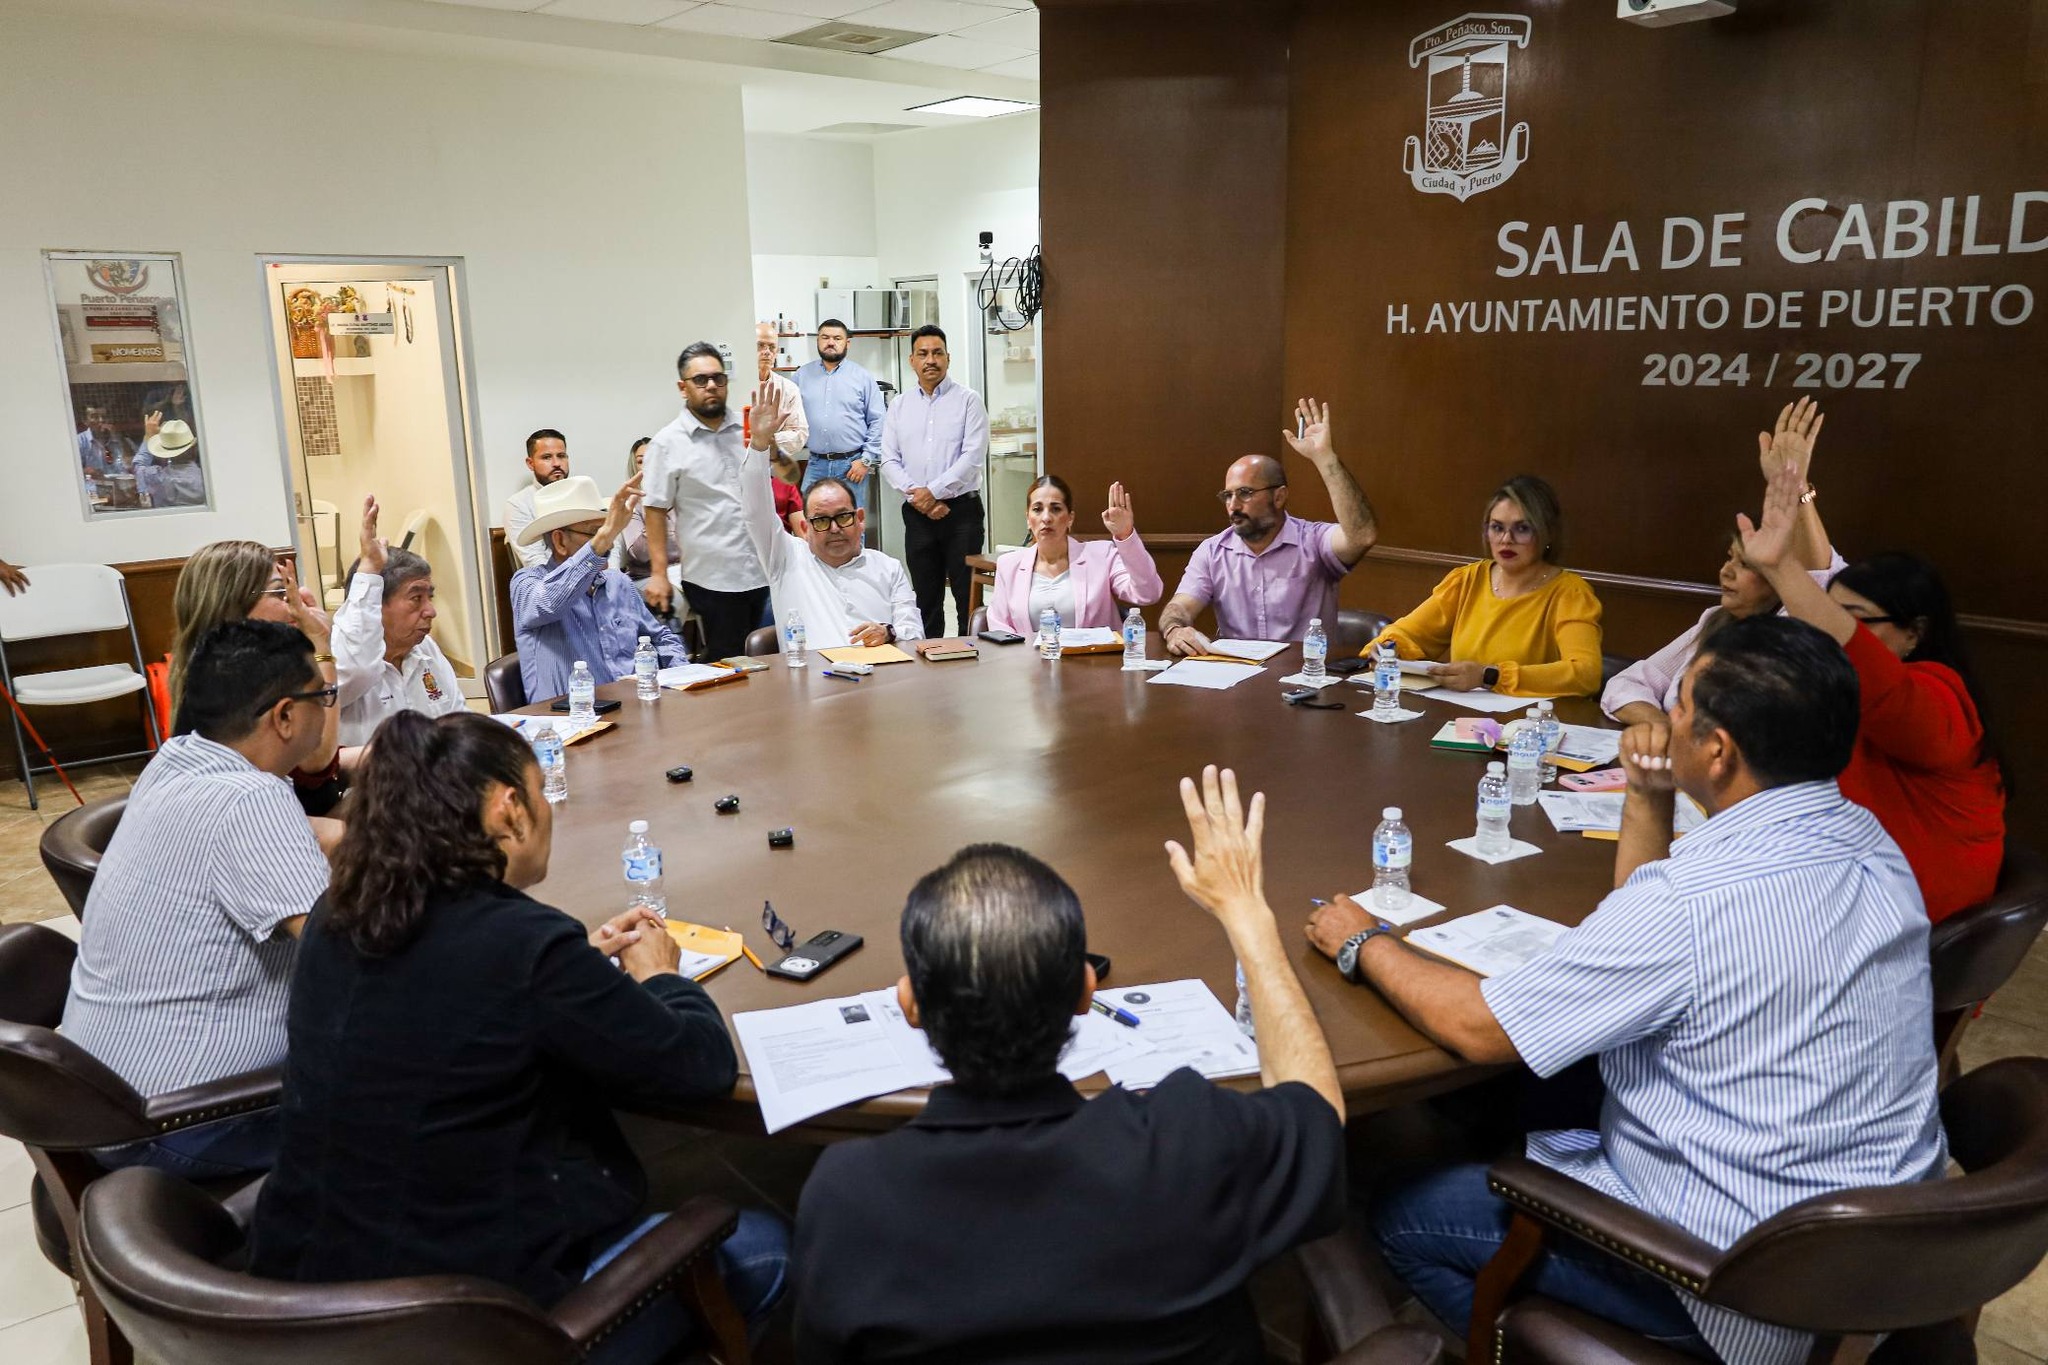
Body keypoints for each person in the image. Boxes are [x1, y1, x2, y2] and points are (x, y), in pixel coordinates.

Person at [1305, 615, 1946, 1364]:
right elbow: (1646, 931)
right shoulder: (1871, 840)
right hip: (1878, 1254)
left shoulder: (1695, 899)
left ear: (1717, 749)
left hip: (1738, 1285)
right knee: (1527, 1094)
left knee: (1403, 1214)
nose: (1664, 719)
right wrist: (1648, 795)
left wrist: (1363, 941)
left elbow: (1480, 1028)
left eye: (1679, 705)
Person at [250, 712, 786, 1362]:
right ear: (509, 810)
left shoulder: (338, 910)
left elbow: (448, 992)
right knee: (766, 1247)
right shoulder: (522, 946)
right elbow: (698, 1065)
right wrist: (660, 975)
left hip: (303, 1310)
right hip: (464, 1331)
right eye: (540, 793)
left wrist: (573, 969)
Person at [794, 768, 1347, 1362]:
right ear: (1086, 990)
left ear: (911, 1006)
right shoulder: (1189, 1140)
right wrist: (1246, 914)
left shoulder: (848, 1196)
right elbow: (1318, 1108)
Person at [60, 620, 336, 1178]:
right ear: (285, 716)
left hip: (103, 1099)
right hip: (183, 1122)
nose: (328, 706)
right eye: (323, 696)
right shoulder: (250, 799)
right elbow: (344, 952)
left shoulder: (178, 759)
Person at [1739, 458, 2006, 921]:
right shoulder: (1843, 693)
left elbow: (1878, 681)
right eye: (1831, 612)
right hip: (1854, 885)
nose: (1833, 630)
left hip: (1910, 921)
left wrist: (1781, 568)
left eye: (1855, 620)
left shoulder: (1940, 696)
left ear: (1915, 631)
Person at [1604, 399, 1845, 726]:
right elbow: (1626, 684)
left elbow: (1822, 581)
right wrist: (1663, 729)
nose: (1726, 571)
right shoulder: (1716, 620)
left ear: (1783, 579)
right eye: (1729, 558)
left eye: (1746, 565)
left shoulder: (1798, 630)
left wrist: (1796, 488)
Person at [1159, 398, 1378, 655]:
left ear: (1279, 497)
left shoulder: (1314, 542)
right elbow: (1180, 607)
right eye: (1227, 495)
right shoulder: (1212, 551)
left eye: (1245, 493)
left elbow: (1362, 536)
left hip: (1305, 673)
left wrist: (1326, 459)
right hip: (1237, 673)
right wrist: (1175, 629)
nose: (1233, 505)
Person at [1365, 474, 1602, 696]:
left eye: (1522, 529)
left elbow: (1585, 673)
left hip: (1529, 721)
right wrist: (1388, 650)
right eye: (1497, 527)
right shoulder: (1467, 580)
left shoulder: (1570, 593)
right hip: (1460, 715)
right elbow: (1409, 633)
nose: (1506, 540)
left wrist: (1489, 676)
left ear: (1547, 533)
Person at [170, 541, 349, 821]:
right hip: (256, 823)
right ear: (232, 603)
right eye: (280, 592)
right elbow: (317, 758)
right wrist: (320, 643)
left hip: (291, 806)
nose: (295, 602)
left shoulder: (234, 663)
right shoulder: (229, 678)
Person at [737, 386, 920, 651]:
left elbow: (915, 635)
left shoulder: (888, 569)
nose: (834, 529)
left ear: (860, 518)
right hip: (811, 676)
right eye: (821, 521)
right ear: (805, 527)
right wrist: (759, 445)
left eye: (843, 517)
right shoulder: (786, 559)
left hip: (880, 674)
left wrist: (889, 632)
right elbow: (755, 510)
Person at [641, 342, 774, 660]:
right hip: (714, 577)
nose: (711, 385)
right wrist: (659, 574)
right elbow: (655, 510)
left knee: (772, 656)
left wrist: (770, 442)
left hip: (765, 567)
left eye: (718, 377)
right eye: (701, 380)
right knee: (731, 664)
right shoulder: (667, 443)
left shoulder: (747, 429)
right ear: (683, 387)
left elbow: (788, 477)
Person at [511, 473, 686, 700]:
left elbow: (661, 638)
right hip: (570, 717)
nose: (609, 543)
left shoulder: (618, 583)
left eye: (608, 532)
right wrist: (603, 539)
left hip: (631, 708)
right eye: (595, 534)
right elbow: (550, 603)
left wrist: (683, 676)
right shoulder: (526, 583)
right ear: (559, 541)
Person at [880, 325, 989, 639]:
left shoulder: (968, 401)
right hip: (917, 516)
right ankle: (928, 659)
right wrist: (922, 499)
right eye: (923, 353)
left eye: (937, 353)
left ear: (948, 358)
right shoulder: (899, 406)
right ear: (911, 360)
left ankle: (973, 658)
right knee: (925, 600)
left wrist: (933, 493)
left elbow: (972, 457)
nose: (931, 360)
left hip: (962, 515)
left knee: (967, 598)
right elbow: (888, 460)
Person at [333, 496, 464, 747]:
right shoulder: (343, 662)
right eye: (416, 598)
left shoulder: (424, 649)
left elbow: (458, 719)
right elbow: (357, 667)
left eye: (429, 597)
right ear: (376, 606)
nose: (431, 611)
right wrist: (369, 569)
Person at [987, 476, 1162, 635]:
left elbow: (1148, 593)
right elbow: (999, 626)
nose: (1046, 518)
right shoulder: (1008, 565)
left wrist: (1125, 535)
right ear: (1028, 518)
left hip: (1094, 659)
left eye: (1056, 509)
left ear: (1070, 518)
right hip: (1028, 659)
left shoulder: (1102, 556)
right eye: (1037, 509)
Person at [794, 317, 885, 510]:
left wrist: (866, 460)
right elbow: (789, 414)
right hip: (816, 464)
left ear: (847, 343)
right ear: (817, 340)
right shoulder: (801, 376)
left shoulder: (862, 377)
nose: (830, 342)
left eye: (837, 338)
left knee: (851, 521)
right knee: (811, 519)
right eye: (825, 337)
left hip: (851, 466)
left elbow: (878, 420)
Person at [614, 436, 679, 584]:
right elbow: (640, 552)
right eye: (641, 461)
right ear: (635, 468)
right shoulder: (631, 503)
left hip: (684, 573)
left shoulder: (680, 498)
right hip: (647, 577)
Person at [505, 429, 571, 570]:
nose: (556, 463)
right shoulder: (518, 504)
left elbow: (608, 544)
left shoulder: (582, 494)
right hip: (552, 579)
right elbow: (536, 562)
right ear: (530, 463)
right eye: (547, 457)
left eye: (561, 456)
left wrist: (611, 576)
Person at [756, 321, 810, 463]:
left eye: (772, 347)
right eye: (760, 345)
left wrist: (765, 441)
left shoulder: (788, 389)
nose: (766, 351)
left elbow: (800, 434)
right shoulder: (736, 387)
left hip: (775, 464)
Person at [138, 414, 207, 507]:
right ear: (194, 449)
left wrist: (148, 436)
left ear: (165, 453)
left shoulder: (157, 477)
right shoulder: (207, 479)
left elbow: (139, 468)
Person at [77, 405, 138, 477]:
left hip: (122, 482)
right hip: (95, 483)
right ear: (85, 421)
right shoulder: (79, 441)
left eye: (104, 416)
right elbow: (71, 469)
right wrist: (86, 471)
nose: (101, 420)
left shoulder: (123, 440)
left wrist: (119, 438)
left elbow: (133, 466)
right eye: (95, 417)